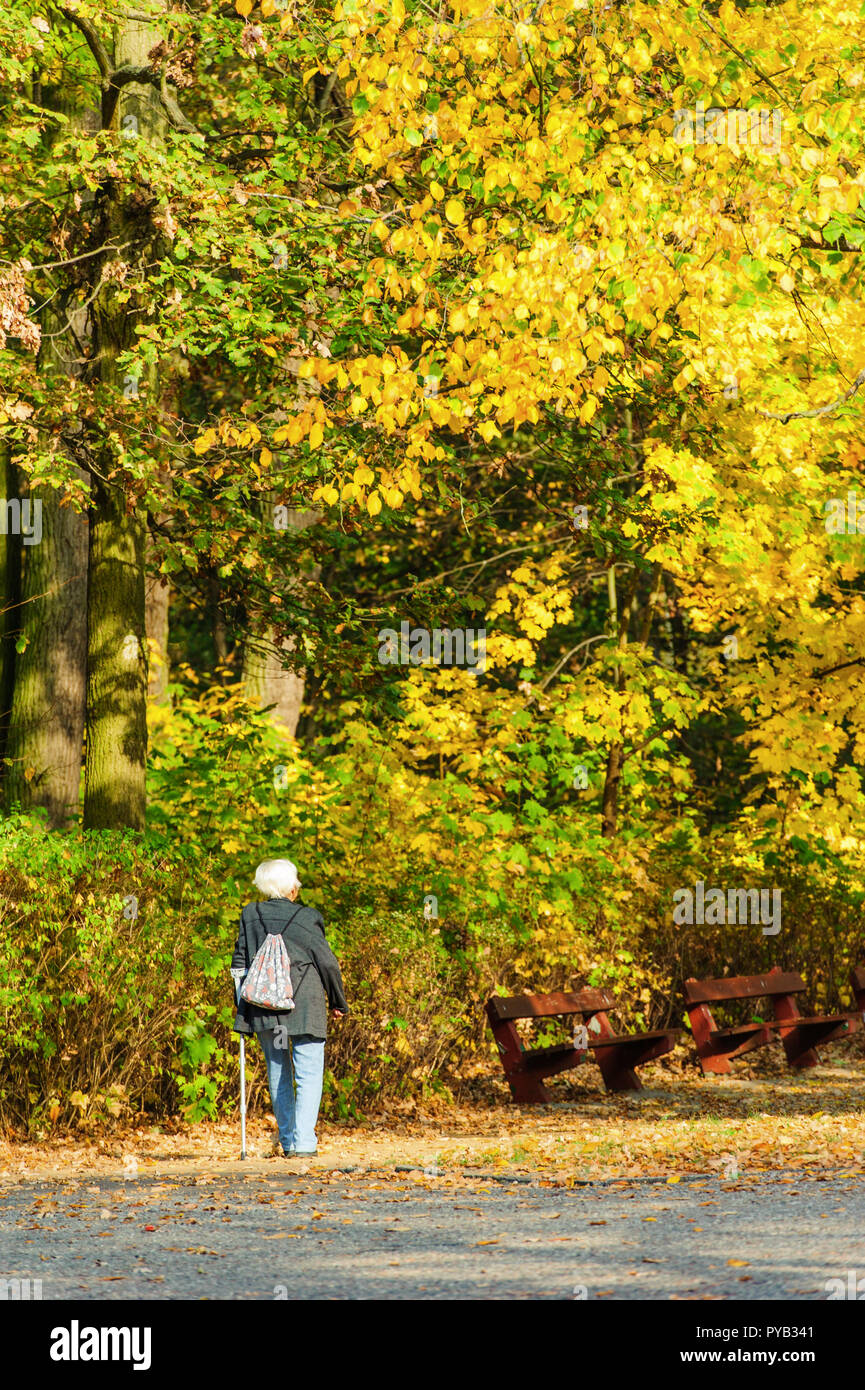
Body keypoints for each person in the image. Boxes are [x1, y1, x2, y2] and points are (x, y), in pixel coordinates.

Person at [231, 858, 348, 1157]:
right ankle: (305, 1143)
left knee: (278, 1069)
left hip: (265, 1008)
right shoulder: (308, 917)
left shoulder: (251, 914)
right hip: (303, 1008)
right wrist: (337, 1000)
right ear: (292, 889)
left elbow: (239, 965)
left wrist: (242, 1007)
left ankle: (288, 1142)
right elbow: (327, 963)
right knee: (307, 1073)